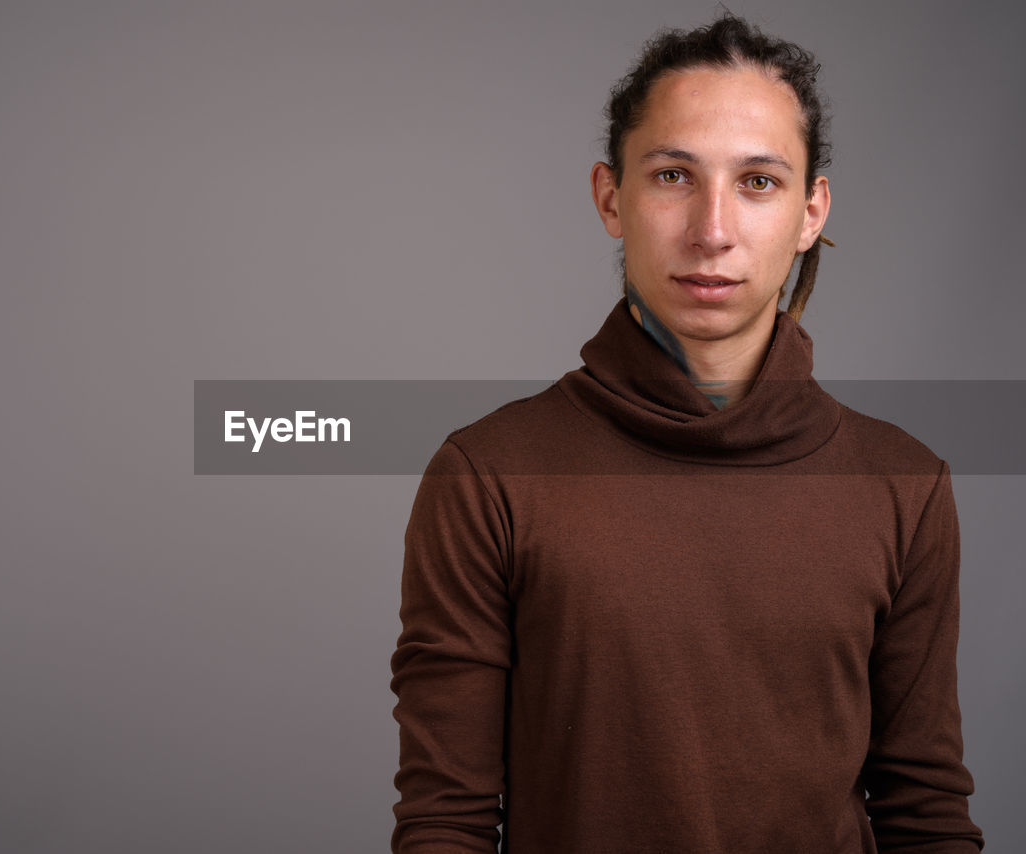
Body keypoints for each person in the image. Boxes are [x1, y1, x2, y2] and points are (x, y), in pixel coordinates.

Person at [389, 15, 983, 853]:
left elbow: (925, 811)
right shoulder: (488, 477)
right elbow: (443, 823)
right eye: (674, 175)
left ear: (812, 210)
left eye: (759, 183)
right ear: (610, 198)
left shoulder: (904, 486)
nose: (712, 230)